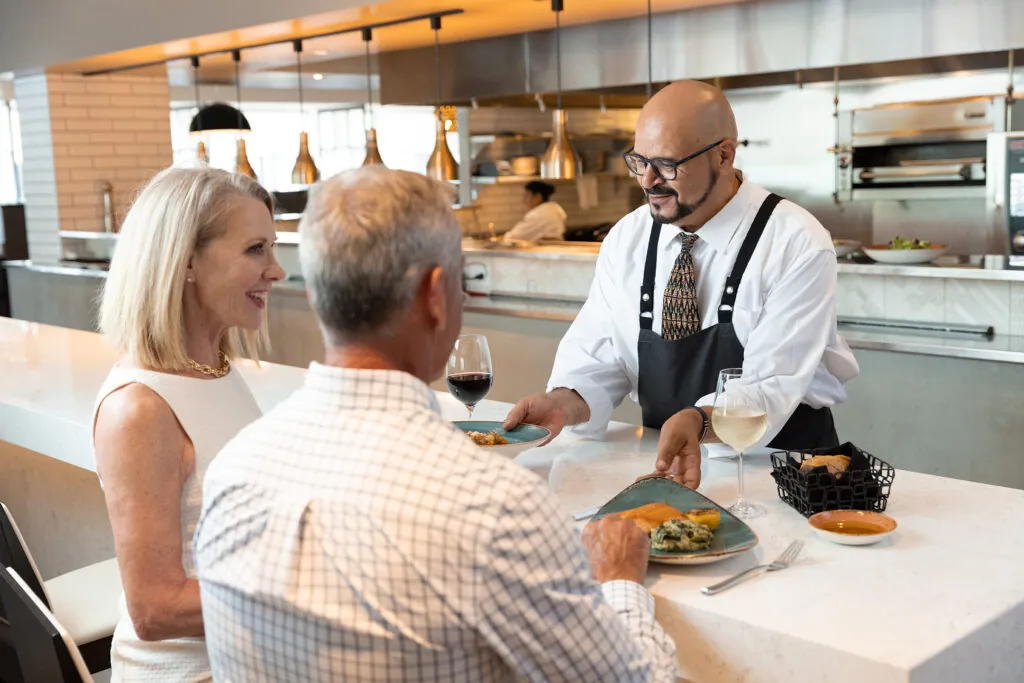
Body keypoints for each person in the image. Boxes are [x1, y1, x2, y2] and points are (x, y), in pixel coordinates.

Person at [193, 167, 678, 682]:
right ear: (436, 293)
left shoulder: (232, 472)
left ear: (315, 294)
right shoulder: (495, 509)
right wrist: (620, 581)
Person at [505, 80, 859, 489]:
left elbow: (770, 386)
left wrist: (697, 419)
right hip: (668, 469)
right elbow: (600, 356)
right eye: (639, 161)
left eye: (668, 164)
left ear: (724, 155)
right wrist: (562, 404)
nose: (648, 180)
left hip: (780, 473)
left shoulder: (794, 242)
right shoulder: (628, 238)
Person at [93, 166, 285, 680]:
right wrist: (312, 583)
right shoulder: (139, 409)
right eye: (256, 250)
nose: (277, 270)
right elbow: (156, 610)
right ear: (186, 263)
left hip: (248, 653)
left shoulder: (217, 368)